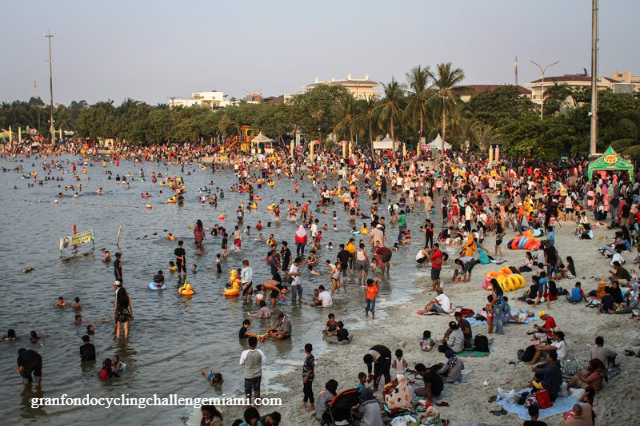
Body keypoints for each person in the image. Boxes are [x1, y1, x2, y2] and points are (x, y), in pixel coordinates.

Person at [239, 336, 267, 406]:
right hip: (258, 374)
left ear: (248, 343)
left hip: (248, 375)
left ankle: (248, 405)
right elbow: (264, 361)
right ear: (256, 344)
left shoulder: (244, 353)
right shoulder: (260, 352)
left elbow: (241, 363)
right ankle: (257, 403)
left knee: (248, 391)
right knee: (257, 389)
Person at [301, 343, 315, 412]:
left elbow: (310, 370)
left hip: (308, 378)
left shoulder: (309, 359)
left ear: (305, 349)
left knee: (308, 391)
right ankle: (304, 403)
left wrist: (306, 378)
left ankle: (312, 405)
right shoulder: (311, 357)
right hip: (308, 377)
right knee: (306, 390)